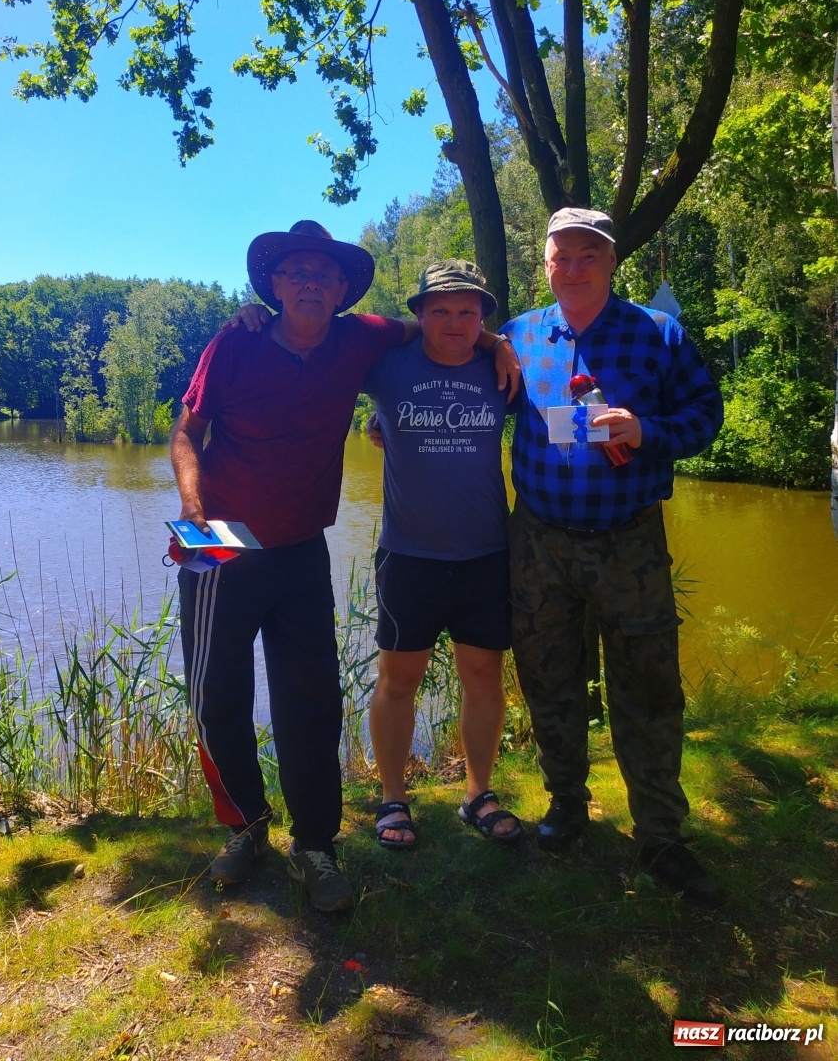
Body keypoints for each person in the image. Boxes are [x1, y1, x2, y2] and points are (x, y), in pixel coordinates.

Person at [170, 221, 519, 911]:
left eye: (323, 274)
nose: (309, 282)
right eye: (296, 271)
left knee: (312, 699)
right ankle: (245, 827)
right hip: (220, 535)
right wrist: (193, 508)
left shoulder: (361, 337)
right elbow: (187, 429)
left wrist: (492, 338)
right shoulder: (234, 341)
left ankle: (316, 843)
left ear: (339, 290)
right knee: (215, 695)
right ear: (273, 285)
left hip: (303, 540)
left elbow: (441, 322)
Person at [503, 207, 725, 904]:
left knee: (648, 689)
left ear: (610, 262)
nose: (572, 268)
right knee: (549, 681)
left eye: (586, 256)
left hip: (629, 541)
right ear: (545, 263)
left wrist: (647, 429)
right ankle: (568, 804)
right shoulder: (516, 337)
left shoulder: (658, 335)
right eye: (560, 257)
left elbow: (707, 416)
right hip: (539, 541)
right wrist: (391, 420)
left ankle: (660, 834)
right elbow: (449, 371)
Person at [363, 261, 521, 849]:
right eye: (440, 310)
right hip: (408, 555)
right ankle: (393, 799)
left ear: (482, 316)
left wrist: (497, 343)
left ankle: (479, 793)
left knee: (483, 675)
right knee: (397, 680)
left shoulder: (504, 368)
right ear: (420, 314)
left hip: (486, 552)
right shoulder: (388, 366)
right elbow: (332, 346)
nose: (454, 322)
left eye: (467, 311)